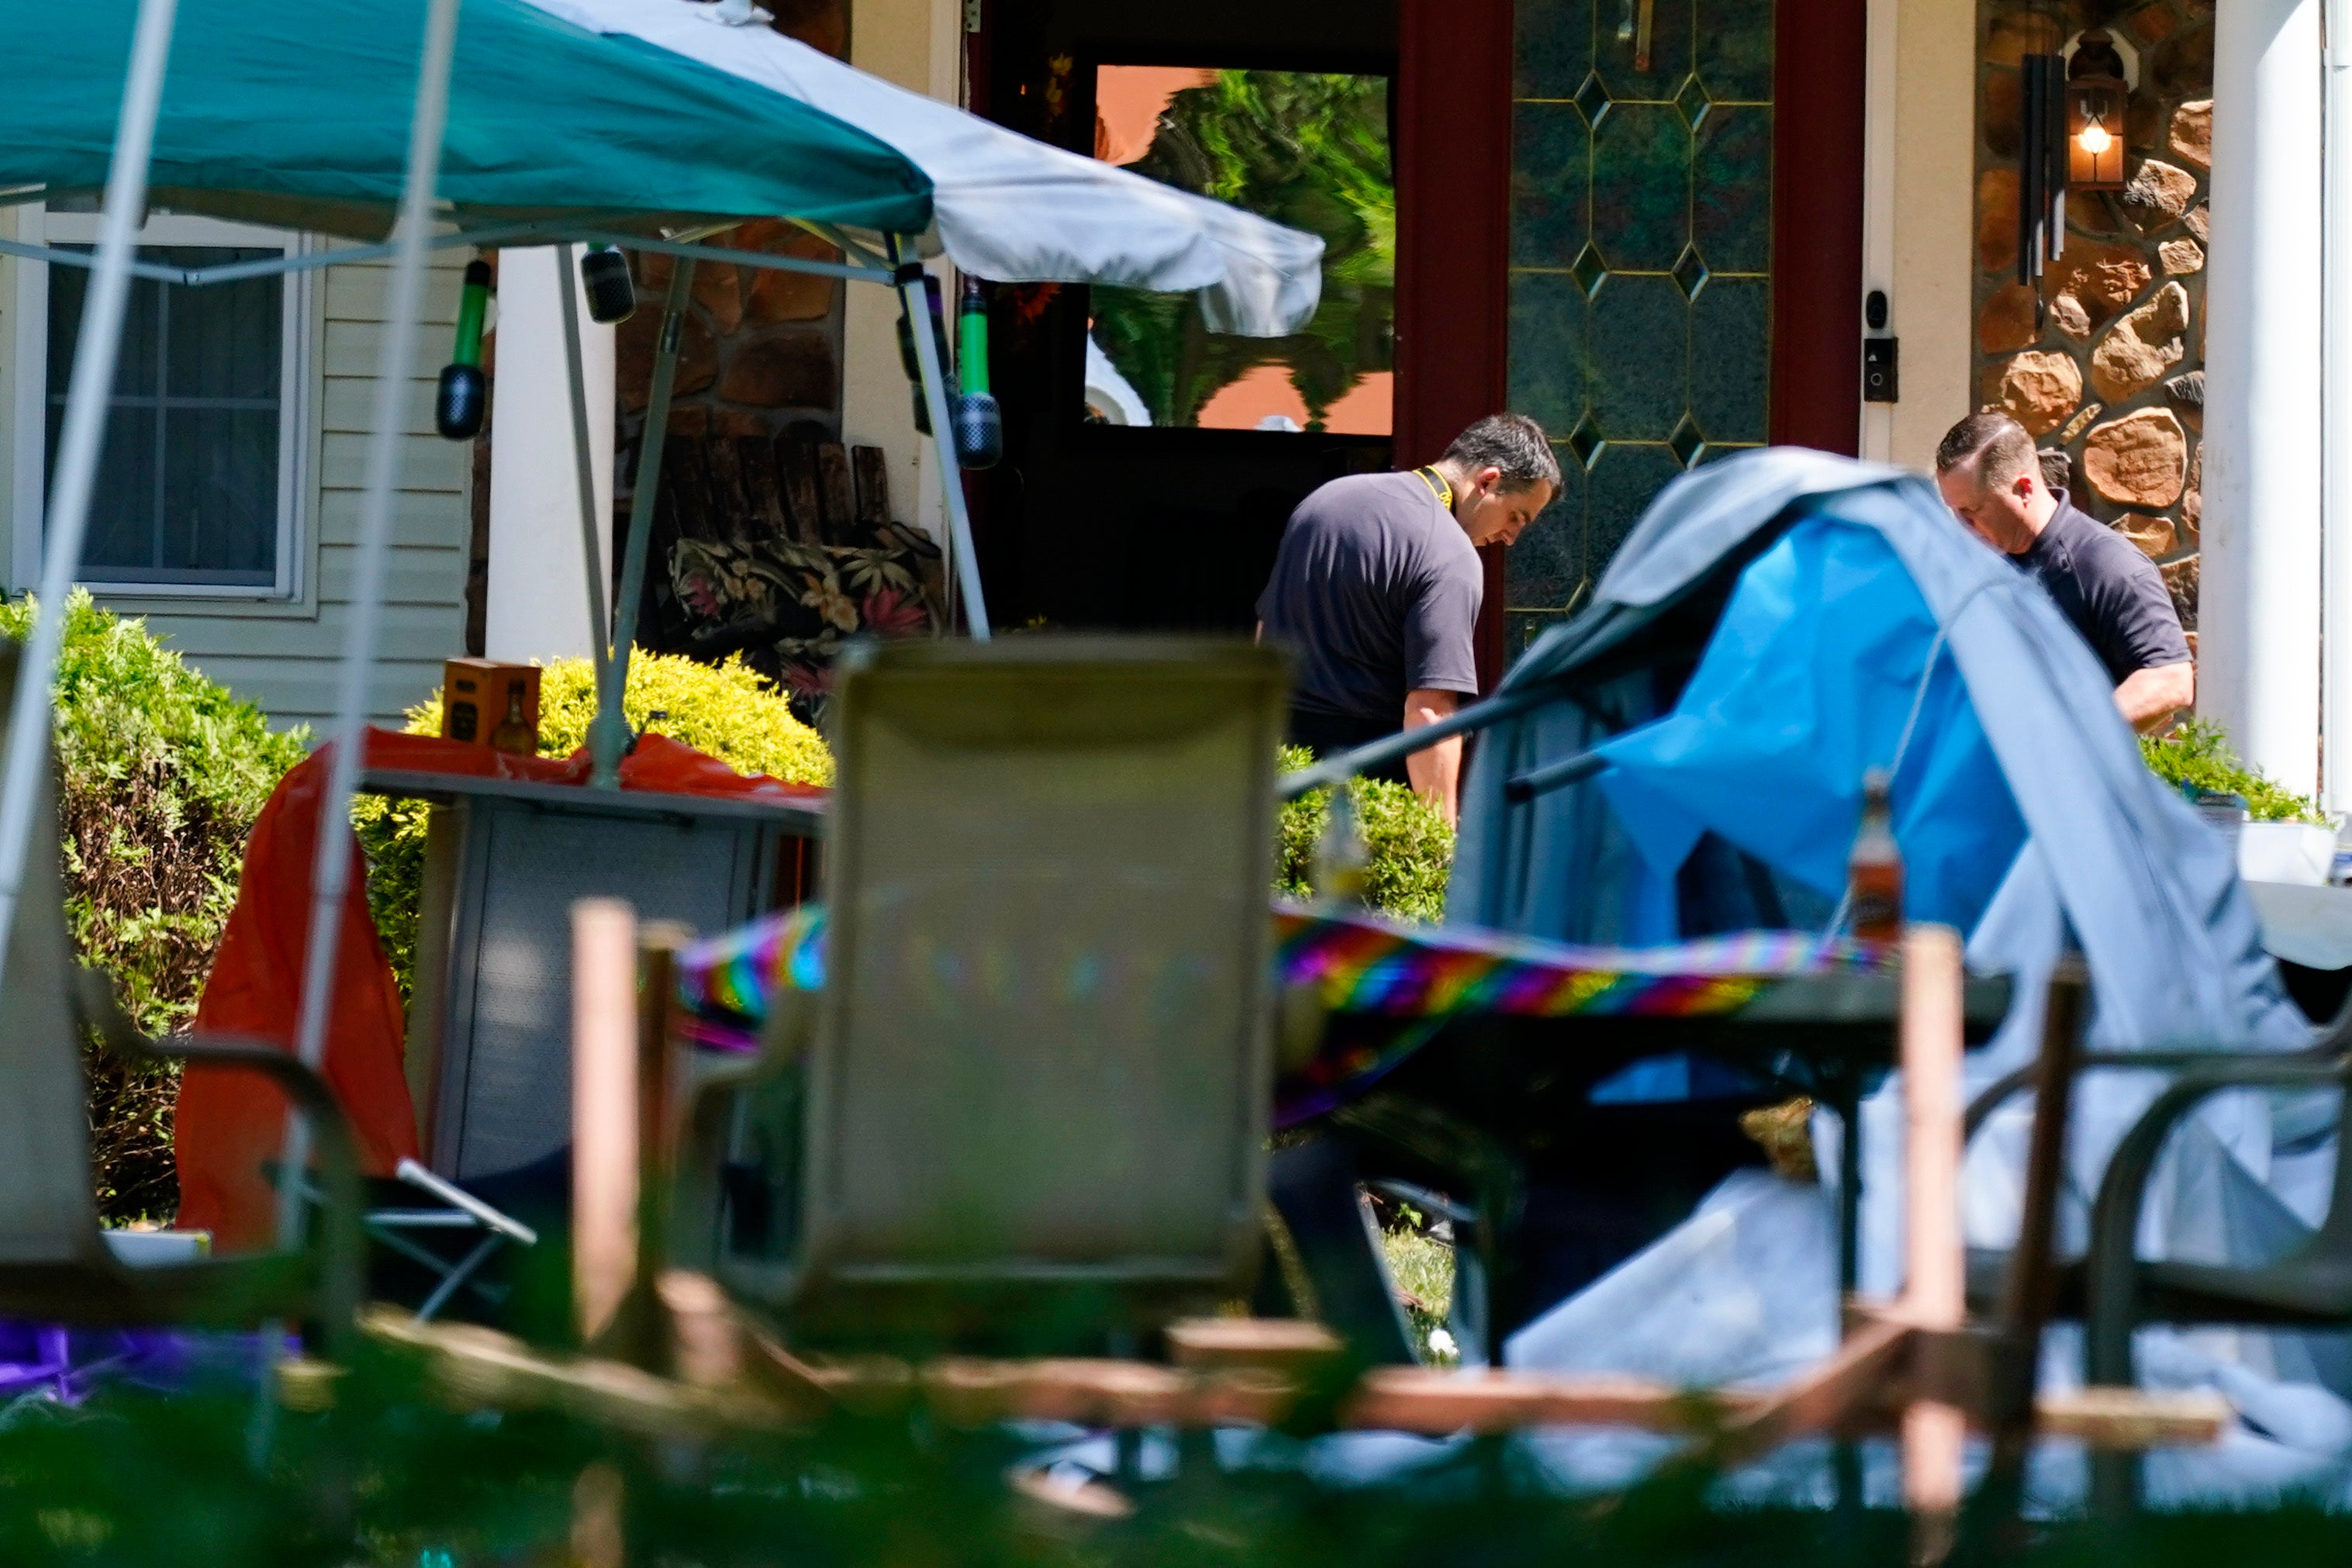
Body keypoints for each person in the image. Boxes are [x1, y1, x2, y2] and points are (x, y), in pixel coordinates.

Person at [1255, 413, 1558, 824]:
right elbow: (1430, 713)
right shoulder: (1450, 555)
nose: (1511, 537)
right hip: (1361, 796)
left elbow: (1263, 638)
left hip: (1275, 780)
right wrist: (1440, 843)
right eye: (1516, 517)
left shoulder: (1325, 501)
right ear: (1487, 481)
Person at [1935, 411, 2194, 731]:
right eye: (1955, 511)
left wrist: (2062, 738)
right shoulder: (1976, 564)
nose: (1963, 526)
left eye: (1972, 510)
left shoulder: (2107, 564)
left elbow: (2170, 680)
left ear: (2024, 489)